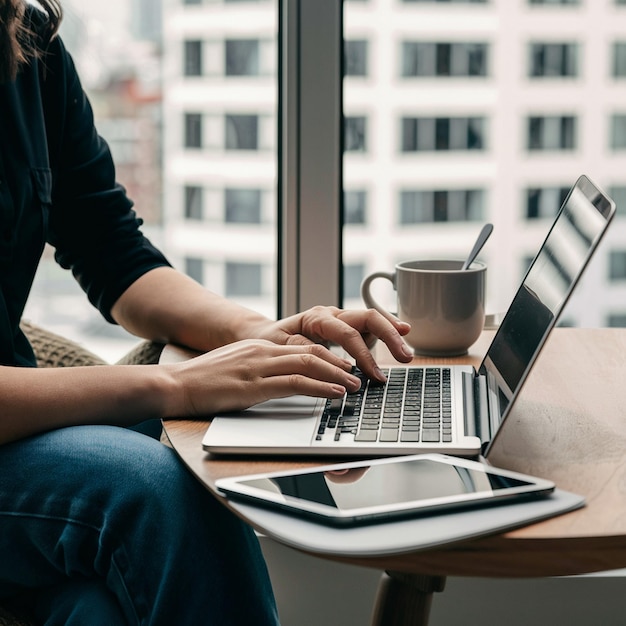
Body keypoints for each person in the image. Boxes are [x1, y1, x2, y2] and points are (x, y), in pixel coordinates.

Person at [0, 1, 413, 624]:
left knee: (93, 611)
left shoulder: (29, 49)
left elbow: (116, 255)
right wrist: (176, 385)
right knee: (152, 490)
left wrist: (262, 336)